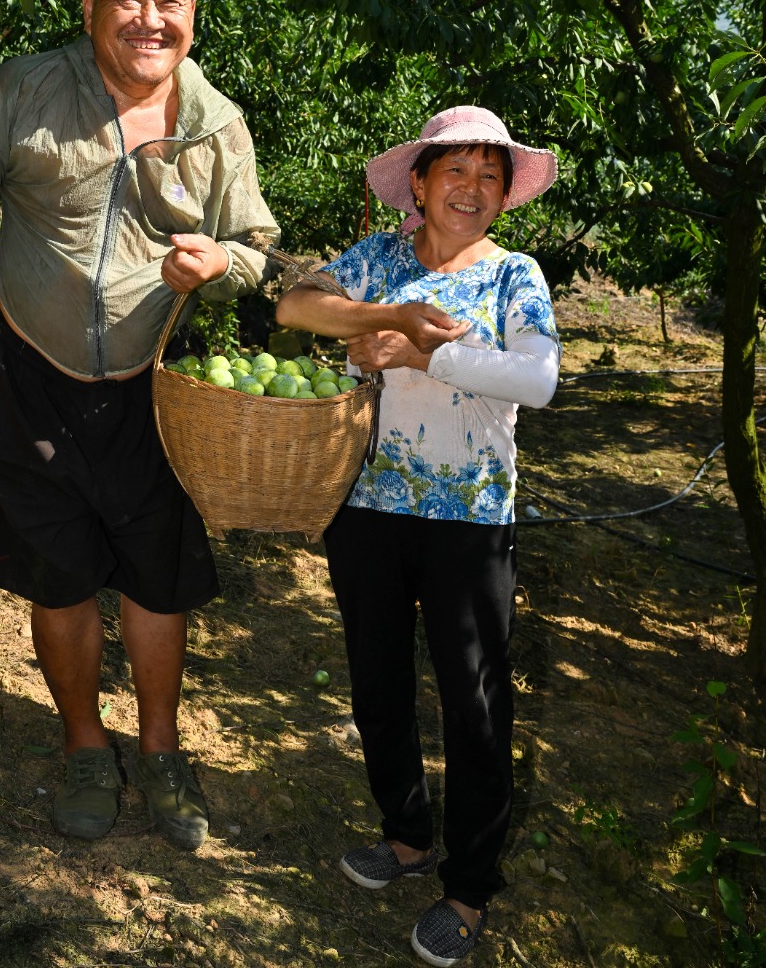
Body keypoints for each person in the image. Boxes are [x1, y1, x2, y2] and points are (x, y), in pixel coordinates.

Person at [0, 0, 278, 849]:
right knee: (59, 578)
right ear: (91, 8)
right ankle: (82, 745)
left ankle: (159, 750)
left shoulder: (216, 125)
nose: (150, 19)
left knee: (159, 581)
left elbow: (260, 252)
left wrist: (221, 261)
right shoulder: (27, 87)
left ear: (193, 20)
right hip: (32, 374)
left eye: (170, 4)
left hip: (154, 392)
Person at [275, 106, 559, 966]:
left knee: (473, 702)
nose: (471, 191)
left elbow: (537, 379)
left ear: (503, 195)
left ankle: (469, 887)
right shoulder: (384, 261)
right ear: (423, 184)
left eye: (488, 177)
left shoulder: (516, 275)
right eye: (455, 173)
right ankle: (405, 834)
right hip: (366, 503)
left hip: (470, 519)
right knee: (377, 680)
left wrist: (417, 356)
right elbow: (296, 305)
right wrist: (375, 319)